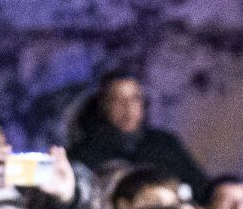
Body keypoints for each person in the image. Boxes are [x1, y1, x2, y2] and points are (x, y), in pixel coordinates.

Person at [68, 72, 207, 193]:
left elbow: (201, 186)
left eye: (135, 98)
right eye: (118, 100)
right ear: (104, 106)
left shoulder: (165, 144)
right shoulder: (84, 153)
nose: (128, 108)